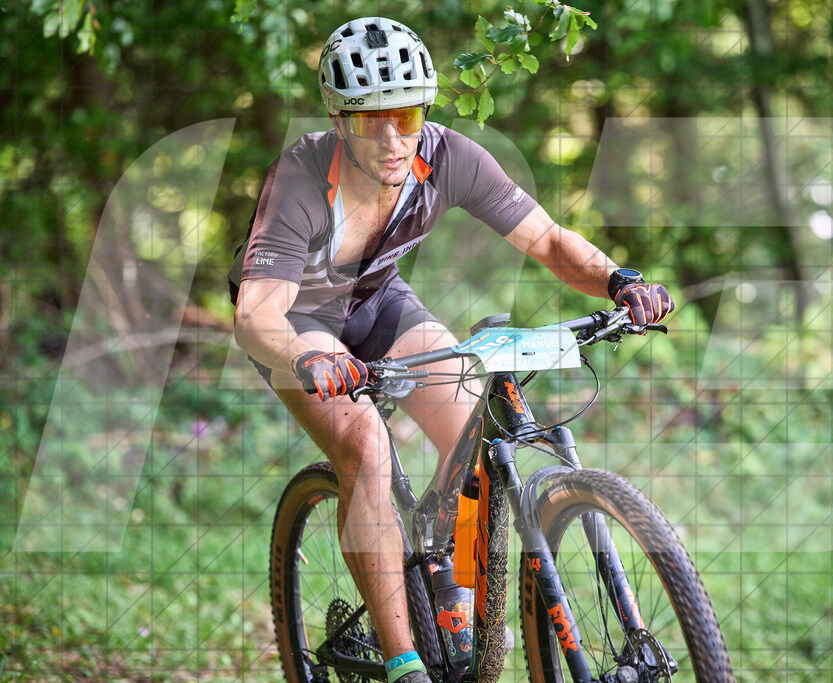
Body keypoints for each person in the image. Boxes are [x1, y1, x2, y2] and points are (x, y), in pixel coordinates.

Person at [229, 16, 675, 683]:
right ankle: (406, 660)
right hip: (299, 322)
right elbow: (256, 312)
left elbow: (550, 241)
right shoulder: (299, 177)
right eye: (369, 121)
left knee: (471, 410)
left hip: (378, 301)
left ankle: (439, 553)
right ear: (337, 117)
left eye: (405, 116)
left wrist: (620, 281)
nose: (391, 138)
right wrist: (307, 360)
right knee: (366, 445)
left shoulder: (449, 156)